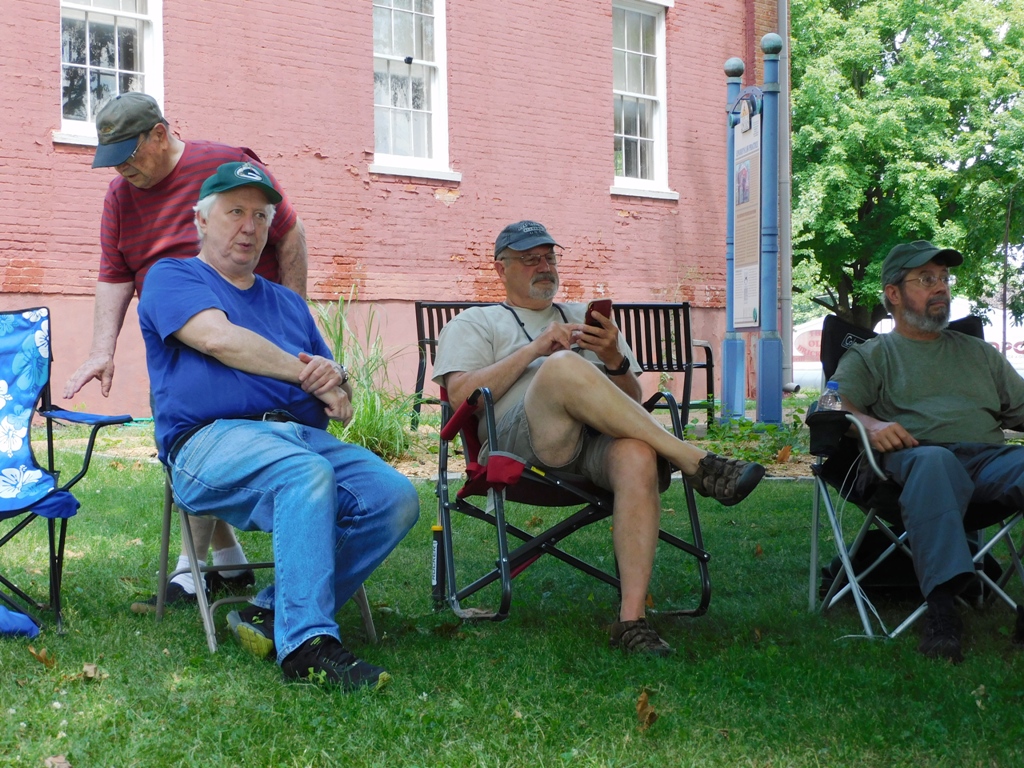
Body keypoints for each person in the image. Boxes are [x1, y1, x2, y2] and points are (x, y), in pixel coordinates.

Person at [138, 162, 418, 689]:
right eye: (235, 212)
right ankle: (307, 646)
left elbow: (336, 391)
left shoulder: (288, 303)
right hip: (209, 442)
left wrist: (337, 381)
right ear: (201, 219)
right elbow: (218, 338)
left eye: (261, 216)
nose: (250, 226)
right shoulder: (173, 277)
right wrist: (307, 373)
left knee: (393, 496)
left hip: (299, 437)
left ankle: (269, 613)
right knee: (302, 471)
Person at [431, 220, 766, 656]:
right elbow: (461, 395)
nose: (543, 266)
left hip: (593, 445)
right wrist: (535, 350)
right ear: (501, 269)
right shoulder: (476, 322)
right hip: (519, 446)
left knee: (637, 453)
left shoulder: (585, 318)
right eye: (530, 259)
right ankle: (693, 461)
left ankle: (631, 620)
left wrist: (612, 359)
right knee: (562, 366)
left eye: (549, 257)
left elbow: (632, 401)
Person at [63, 93, 309, 608]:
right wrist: (102, 349)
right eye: (112, 159)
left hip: (241, 331)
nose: (122, 169)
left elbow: (289, 233)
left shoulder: (223, 164)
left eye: (129, 154)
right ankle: (230, 561)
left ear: (160, 133)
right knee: (183, 440)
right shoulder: (120, 196)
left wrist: (294, 318)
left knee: (202, 429)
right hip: (174, 336)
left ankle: (189, 571)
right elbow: (115, 273)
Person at [832, 240, 1024, 663]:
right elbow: (829, 406)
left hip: (986, 461)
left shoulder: (979, 354)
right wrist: (871, 424)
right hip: (914, 461)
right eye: (925, 279)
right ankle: (942, 613)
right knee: (936, 462)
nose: (941, 288)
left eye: (944, 278)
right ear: (894, 293)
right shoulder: (873, 355)